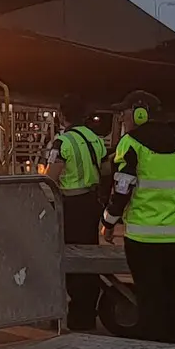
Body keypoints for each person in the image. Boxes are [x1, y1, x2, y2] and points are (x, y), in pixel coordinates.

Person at [100, 90, 175, 344]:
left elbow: (122, 189)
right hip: (174, 241)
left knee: (149, 297)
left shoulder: (131, 143)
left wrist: (108, 222)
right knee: (169, 294)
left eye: (124, 112)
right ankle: (174, 342)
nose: (121, 117)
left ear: (140, 113)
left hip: (142, 240)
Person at [42, 94, 109, 331]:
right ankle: (87, 313)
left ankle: (69, 314)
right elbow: (105, 168)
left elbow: (51, 178)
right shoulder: (96, 139)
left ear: (62, 115)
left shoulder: (62, 142)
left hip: (69, 205)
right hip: (91, 203)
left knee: (68, 260)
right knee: (88, 257)